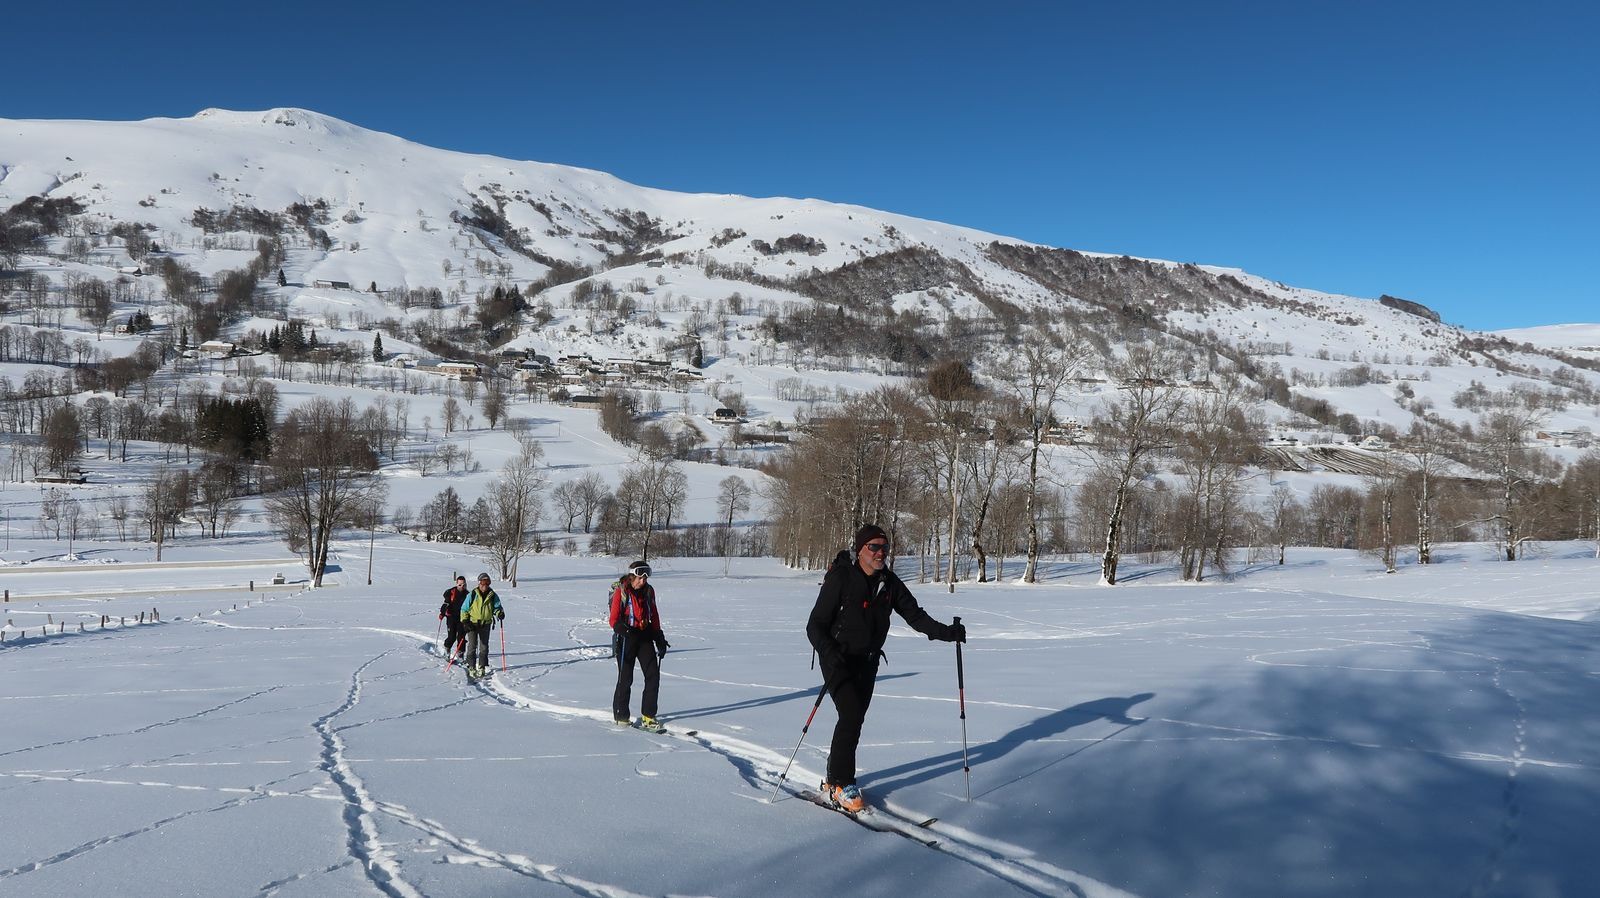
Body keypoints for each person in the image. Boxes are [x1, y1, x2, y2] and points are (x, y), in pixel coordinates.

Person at [805, 524, 966, 813]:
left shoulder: (889, 583)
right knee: (851, 714)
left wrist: (947, 633)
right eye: (874, 547)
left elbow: (915, 616)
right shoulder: (841, 579)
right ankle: (843, 782)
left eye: (885, 548)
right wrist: (828, 651)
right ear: (860, 550)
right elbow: (815, 624)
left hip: (868, 661)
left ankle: (833, 778)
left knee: (854, 719)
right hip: (837, 660)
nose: (881, 553)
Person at [609, 560, 669, 732]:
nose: (643, 581)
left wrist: (659, 637)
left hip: (644, 636)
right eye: (640, 578)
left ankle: (648, 717)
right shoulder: (621, 591)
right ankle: (622, 716)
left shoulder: (649, 591)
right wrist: (624, 630)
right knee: (625, 678)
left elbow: (654, 615)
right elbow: (613, 619)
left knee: (653, 675)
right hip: (626, 637)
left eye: (645, 578)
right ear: (632, 576)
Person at [459, 572, 504, 680]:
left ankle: (482, 666)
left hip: (486, 623)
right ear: (479, 583)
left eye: (487, 583)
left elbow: (497, 607)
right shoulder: (473, 594)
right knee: (472, 646)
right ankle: (471, 666)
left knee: (484, 647)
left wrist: (500, 613)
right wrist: (465, 621)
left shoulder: (492, 595)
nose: (485, 586)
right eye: (483, 583)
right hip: (472, 624)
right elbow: (464, 609)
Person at [439, 575, 469, 658]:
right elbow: (446, 603)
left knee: (461, 637)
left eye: (463, 585)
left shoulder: (468, 594)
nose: (462, 586)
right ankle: (447, 648)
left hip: (462, 618)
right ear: (456, 584)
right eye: (460, 585)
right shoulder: (451, 592)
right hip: (451, 617)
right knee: (452, 636)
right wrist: (442, 613)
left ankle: (460, 653)